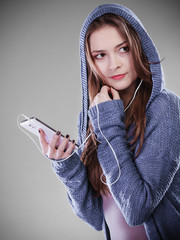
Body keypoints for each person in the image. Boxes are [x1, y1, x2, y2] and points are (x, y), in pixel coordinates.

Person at [38, 4, 180, 240]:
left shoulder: (166, 108)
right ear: (90, 62)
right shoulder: (96, 115)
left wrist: (107, 126)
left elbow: (136, 211)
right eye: (100, 55)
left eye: (123, 49)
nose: (113, 64)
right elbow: (95, 217)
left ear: (139, 48)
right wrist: (68, 166)